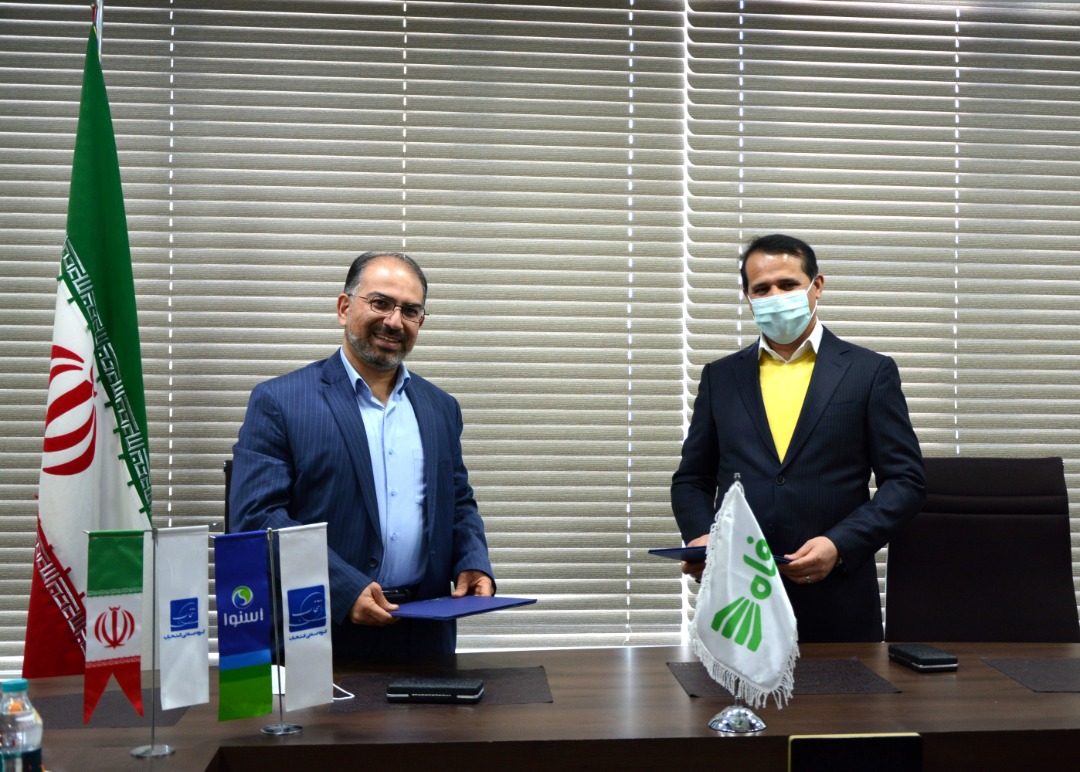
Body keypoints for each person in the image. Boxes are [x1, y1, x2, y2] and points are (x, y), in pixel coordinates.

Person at [229, 250, 494, 660]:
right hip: (322, 630)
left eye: (410, 310)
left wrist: (471, 559)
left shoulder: (441, 407)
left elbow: (457, 501)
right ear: (343, 308)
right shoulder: (280, 402)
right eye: (381, 303)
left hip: (425, 635)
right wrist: (343, 587)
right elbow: (256, 518)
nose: (394, 321)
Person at [671, 234, 925, 643]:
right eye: (761, 289)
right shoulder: (720, 377)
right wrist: (701, 538)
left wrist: (840, 545)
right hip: (739, 601)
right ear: (748, 298)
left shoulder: (869, 371)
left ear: (816, 286)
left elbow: (905, 482)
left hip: (837, 600)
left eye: (788, 284)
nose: (775, 296)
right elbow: (692, 479)